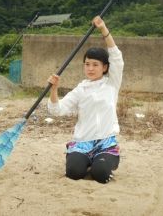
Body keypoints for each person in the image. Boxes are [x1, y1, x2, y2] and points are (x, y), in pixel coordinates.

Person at [47, 16, 124, 184]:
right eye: (87, 64)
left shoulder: (112, 83)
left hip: (105, 142)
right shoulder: (80, 89)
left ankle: (102, 163)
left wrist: (103, 29)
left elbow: (116, 56)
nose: (90, 68)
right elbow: (56, 110)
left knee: (101, 175)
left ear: (104, 68)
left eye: (95, 65)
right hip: (82, 142)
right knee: (73, 173)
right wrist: (54, 89)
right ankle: (84, 160)